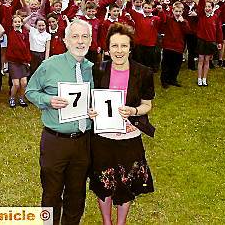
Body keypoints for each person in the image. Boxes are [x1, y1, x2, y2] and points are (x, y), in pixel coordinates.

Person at [26, 19, 94, 225]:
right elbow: (30, 91)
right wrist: (48, 100)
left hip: (83, 142)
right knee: (51, 194)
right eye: (75, 36)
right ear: (65, 40)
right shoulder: (49, 65)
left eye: (85, 37)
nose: (80, 42)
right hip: (55, 141)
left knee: (77, 194)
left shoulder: (93, 69)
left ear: (91, 41)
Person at [88, 23, 155, 225]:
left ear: (130, 48)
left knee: (125, 184)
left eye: (123, 46)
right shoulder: (98, 70)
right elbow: (92, 99)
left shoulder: (143, 73)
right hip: (103, 138)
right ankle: (107, 222)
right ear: (107, 48)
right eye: (114, 46)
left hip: (129, 138)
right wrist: (91, 111)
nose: (119, 51)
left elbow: (147, 105)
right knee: (104, 182)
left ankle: (121, 223)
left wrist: (134, 111)